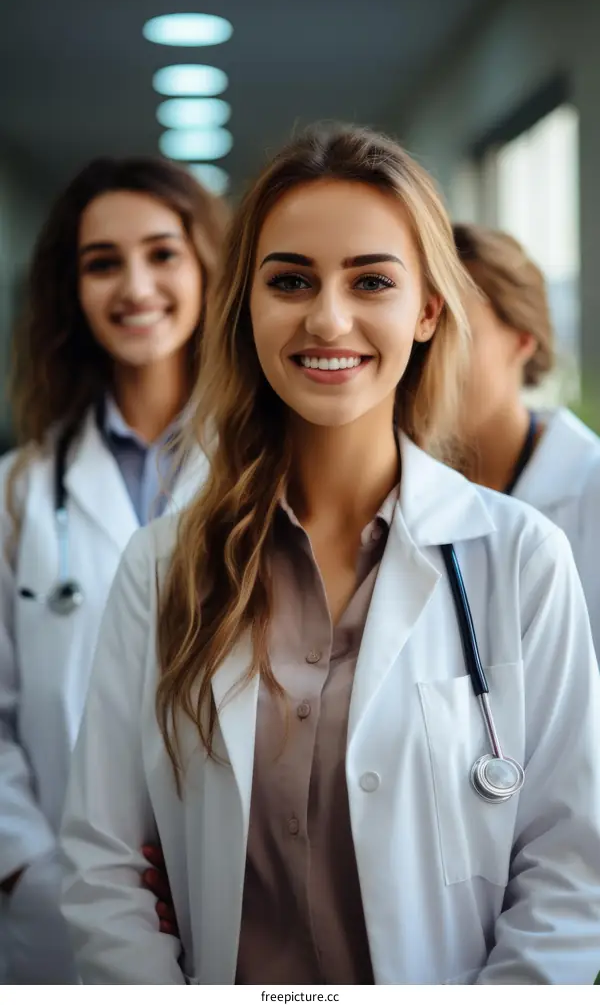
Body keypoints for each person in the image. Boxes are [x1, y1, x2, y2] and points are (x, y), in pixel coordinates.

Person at [59, 124, 600, 985]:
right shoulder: (163, 565)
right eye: (291, 280)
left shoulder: (520, 556)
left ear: (426, 309)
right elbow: (103, 862)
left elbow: (571, 870)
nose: (328, 317)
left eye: (372, 280)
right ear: (246, 306)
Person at [0, 156, 227, 983]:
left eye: (163, 253)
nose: (136, 285)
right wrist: (29, 867)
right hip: (58, 907)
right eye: (103, 262)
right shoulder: (19, 490)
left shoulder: (269, 471)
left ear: (208, 266)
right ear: (73, 288)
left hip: (235, 890)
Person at [453, 223, 600, 656]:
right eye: (423, 334)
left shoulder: (590, 488)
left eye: (459, 336)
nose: (431, 364)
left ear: (522, 340)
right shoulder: (396, 487)